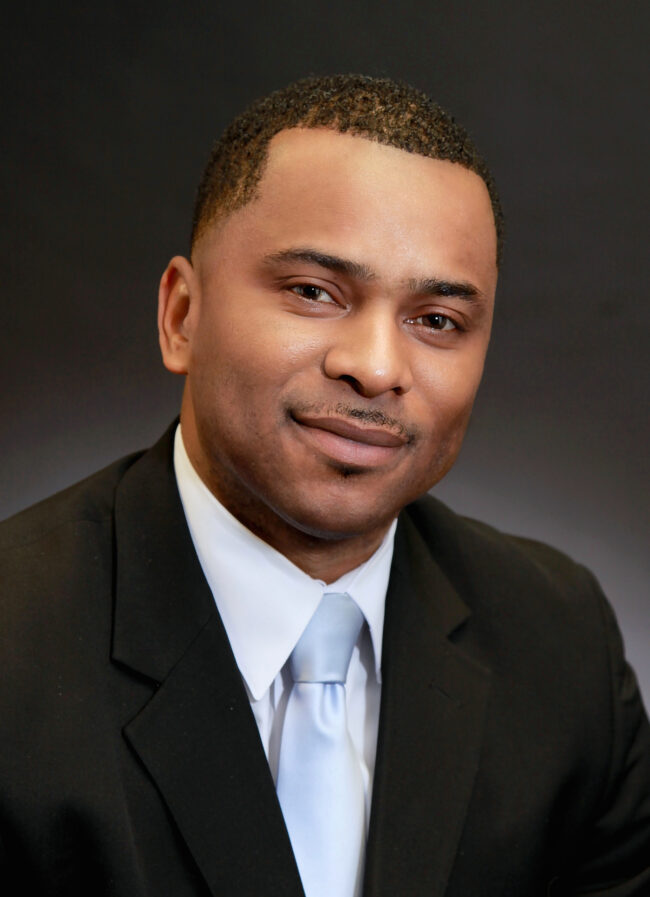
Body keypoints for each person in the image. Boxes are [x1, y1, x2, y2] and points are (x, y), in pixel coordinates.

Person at [0, 74, 648, 897]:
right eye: (314, 292)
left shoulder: (562, 647)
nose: (376, 367)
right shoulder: (15, 647)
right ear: (181, 316)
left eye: (437, 321)